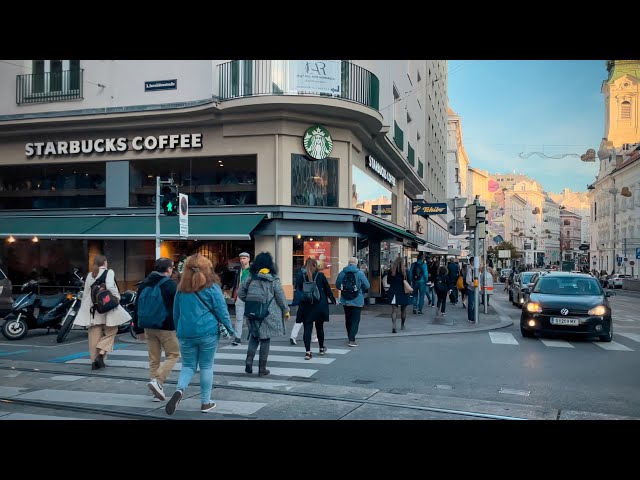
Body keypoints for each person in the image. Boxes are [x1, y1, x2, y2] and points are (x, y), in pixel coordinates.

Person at [165, 254, 236, 415]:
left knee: (188, 366)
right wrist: (230, 330)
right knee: (206, 366)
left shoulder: (181, 289)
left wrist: (179, 329)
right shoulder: (212, 287)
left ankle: (180, 390)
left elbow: (176, 313)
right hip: (208, 332)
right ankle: (205, 402)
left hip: (185, 333)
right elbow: (222, 310)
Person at [73, 254, 132, 370]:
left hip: (93, 310)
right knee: (112, 331)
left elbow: (85, 294)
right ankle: (101, 353)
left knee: (93, 336)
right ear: (104, 262)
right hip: (106, 308)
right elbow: (110, 286)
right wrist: (116, 297)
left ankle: (94, 362)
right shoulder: (109, 272)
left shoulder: (90, 275)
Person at [134, 257, 179, 402]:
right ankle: (158, 381)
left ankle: (156, 393)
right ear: (168, 269)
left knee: (154, 359)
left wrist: (138, 329)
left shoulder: (144, 283)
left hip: (147, 326)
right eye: (172, 267)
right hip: (166, 326)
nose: (172, 270)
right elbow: (179, 306)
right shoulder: (170, 285)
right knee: (173, 354)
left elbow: (137, 307)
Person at [238, 252, 290, 375]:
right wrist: (285, 310)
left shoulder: (251, 276)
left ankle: (249, 362)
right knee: (265, 339)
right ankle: (262, 369)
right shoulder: (273, 278)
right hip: (267, 312)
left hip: (252, 311)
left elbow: (241, 292)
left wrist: (250, 301)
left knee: (254, 336)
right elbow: (280, 296)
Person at [294, 256, 336, 360]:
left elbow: (298, 288)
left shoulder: (302, 276)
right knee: (319, 327)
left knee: (307, 328)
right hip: (319, 305)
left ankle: (308, 352)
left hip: (306, 305)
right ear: (315, 265)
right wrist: (333, 300)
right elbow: (327, 289)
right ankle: (321, 348)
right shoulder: (320, 275)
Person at [335, 257, 370, 347]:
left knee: (348, 318)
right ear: (356, 263)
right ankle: (352, 339)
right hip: (357, 300)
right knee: (355, 320)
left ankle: (349, 336)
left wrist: (345, 290)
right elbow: (367, 285)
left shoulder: (342, 273)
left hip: (345, 299)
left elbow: (337, 285)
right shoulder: (360, 273)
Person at [231, 252, 251, 346]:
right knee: (239, 318)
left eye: (244, 258)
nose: (242, 260)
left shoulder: (252, 271)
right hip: (239, 296)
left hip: (250, 297)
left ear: (248, 259)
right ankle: (237, 337)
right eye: (241, 259)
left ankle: (253, 335)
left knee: (250, 317)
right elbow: (236, 282)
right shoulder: (238, 270)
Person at [387, 256, 412, 333]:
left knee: (394, 310)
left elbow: (388, 282)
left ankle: (394, 326)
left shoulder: (391, 271)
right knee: (403, 310)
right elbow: (409, 282)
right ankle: (402, 325)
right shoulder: (405, 272)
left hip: (394, 292)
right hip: (403, 292)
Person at [466, 256, 476, 322]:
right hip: (471, 288)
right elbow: (468, 280)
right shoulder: (470, 269)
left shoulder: (475, 269)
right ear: (472, 262)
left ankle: (473, 316)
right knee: (471, 303)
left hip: (474, 288)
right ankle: (471, 317)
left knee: (473, 303)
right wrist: (474, 284)